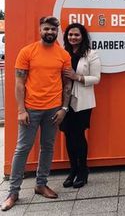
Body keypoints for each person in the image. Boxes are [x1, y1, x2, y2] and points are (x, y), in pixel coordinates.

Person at [1, 16, 72, 212]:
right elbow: (19, 83)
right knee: (22, 149)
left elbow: (67, 84)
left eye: (53, 30)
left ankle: (41, 184)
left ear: (57, 32)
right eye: (46, 29)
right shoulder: (27, 52)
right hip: (30, 110)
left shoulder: (63, 55)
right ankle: (13, 192)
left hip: (53, 109)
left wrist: (64, 108)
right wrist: (21, 110)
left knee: (47, 147)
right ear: (40, 30)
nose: (50, 32)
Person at [60, 23, 101, 189]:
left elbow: (96, 78)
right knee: (68, 136)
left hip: (82, 101)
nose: (73, 38)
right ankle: (73, 170)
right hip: (63, 101)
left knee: (78, 135)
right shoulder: (62, 53)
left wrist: (77, 77)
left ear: (82, 36)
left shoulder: (91, 54)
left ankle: (83, 171)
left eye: (76, 35)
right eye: (70, 35)